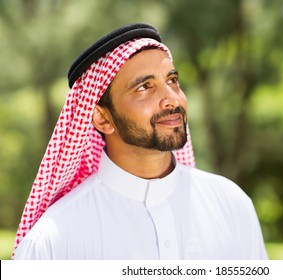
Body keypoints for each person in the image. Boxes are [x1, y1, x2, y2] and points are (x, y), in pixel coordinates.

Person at [12, 23, 268, 260]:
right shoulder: (53, 243)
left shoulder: (231, 206)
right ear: (102, 119)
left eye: (172, 81)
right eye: (144, 87)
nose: (172, 99)